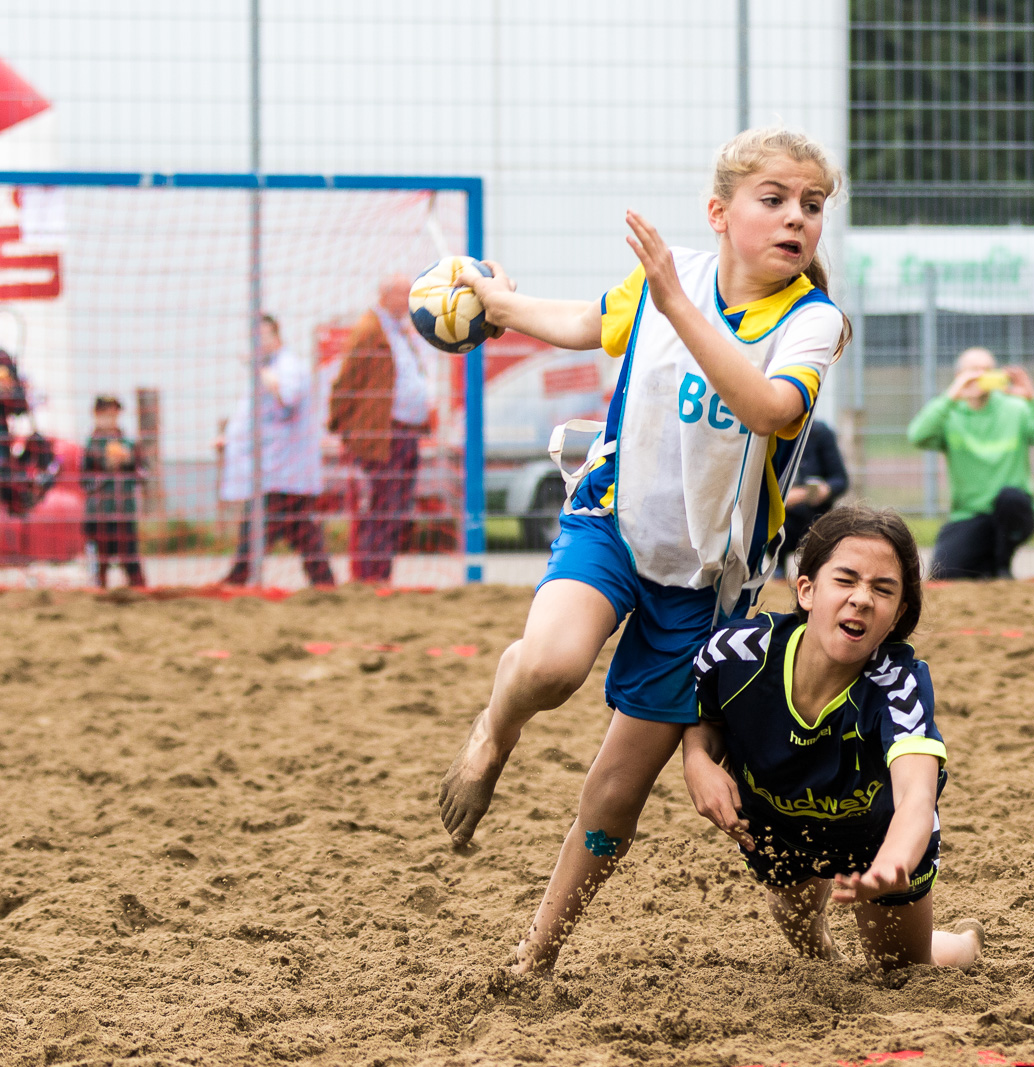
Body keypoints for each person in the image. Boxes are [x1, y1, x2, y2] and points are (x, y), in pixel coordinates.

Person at [435, 127, 848, 974]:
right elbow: (589, 323)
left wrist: (676, 304)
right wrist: (501, 307)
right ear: (719, 212)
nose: (795, 218)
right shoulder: (673, 279)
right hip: (613, 520)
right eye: (773, 199)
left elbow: (771, 409)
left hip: (707, 583)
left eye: (811, 205)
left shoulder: (813, 320)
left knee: (617, 790)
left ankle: (535, 955)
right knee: (550, 665)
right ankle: (493, 732)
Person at [682, 506, 982, 971]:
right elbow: (702, 717)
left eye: (883, 589)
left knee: (902, 972)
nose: (862, 599)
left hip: (877, 840)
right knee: (805, 936)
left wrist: (892, 864)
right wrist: (697, 760)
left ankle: (965, 944)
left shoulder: (898, 686)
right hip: (778, 828)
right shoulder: (736, 653)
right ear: (807, 590)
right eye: (846, 580)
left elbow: (917, 797)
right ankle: (832, 961)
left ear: (898, 614)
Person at [907, 346, 1034, 579]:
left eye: (987, 370)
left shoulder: (1016, 409)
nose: (980, 376)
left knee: (1011, 499)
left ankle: (1002, 566)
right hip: (970, 515)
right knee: (945, 574)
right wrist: (951, 396)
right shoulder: (950, 414)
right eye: (973, 370)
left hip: (1012, 512)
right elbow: (917, 436)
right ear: (959, 376)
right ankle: (987, 567)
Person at [327, 274, 436, 583]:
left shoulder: (400, 332)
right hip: (381, 437)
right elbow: (346, 382)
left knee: (396, 509)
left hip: (405, 434)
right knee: (376, 508)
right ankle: (367, 577)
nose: (409, 301)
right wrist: (344, 428)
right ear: (386, 295)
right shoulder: (369, 331)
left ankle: (381, 575)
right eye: (404, 294)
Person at [219, 314, 335, 588]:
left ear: (276, 336)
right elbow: (254, 416)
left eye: (263, 336)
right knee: (301, 531)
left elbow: (287, 396)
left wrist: (259, 370)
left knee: (259, 527)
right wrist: (231, 438)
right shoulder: (268, 369)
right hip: (275, 472)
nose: (258, 343)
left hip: (284, 470)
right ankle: (324, 583)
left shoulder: (288, 366)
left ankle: (238, 579)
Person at [81, 395, 146, 588]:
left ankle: (138, 593)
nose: (110, 419)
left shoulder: (129, 445)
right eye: (105, 414)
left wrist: (129, 463)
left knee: (132, 563)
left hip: (124, 513)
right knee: (100, 565)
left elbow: (144, 475)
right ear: (96, 415)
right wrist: (106, 470)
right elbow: (85, 482)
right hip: (99, 514)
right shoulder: (91, 447)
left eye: (113, 414)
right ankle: (99, 592)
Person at [776, 417, 848, 573]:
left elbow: (840, 480)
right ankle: (778, 570)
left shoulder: (818, 432)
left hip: (814, 517)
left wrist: (824, 490)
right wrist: (782, 499)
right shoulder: (765, 432)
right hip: (779, 520)